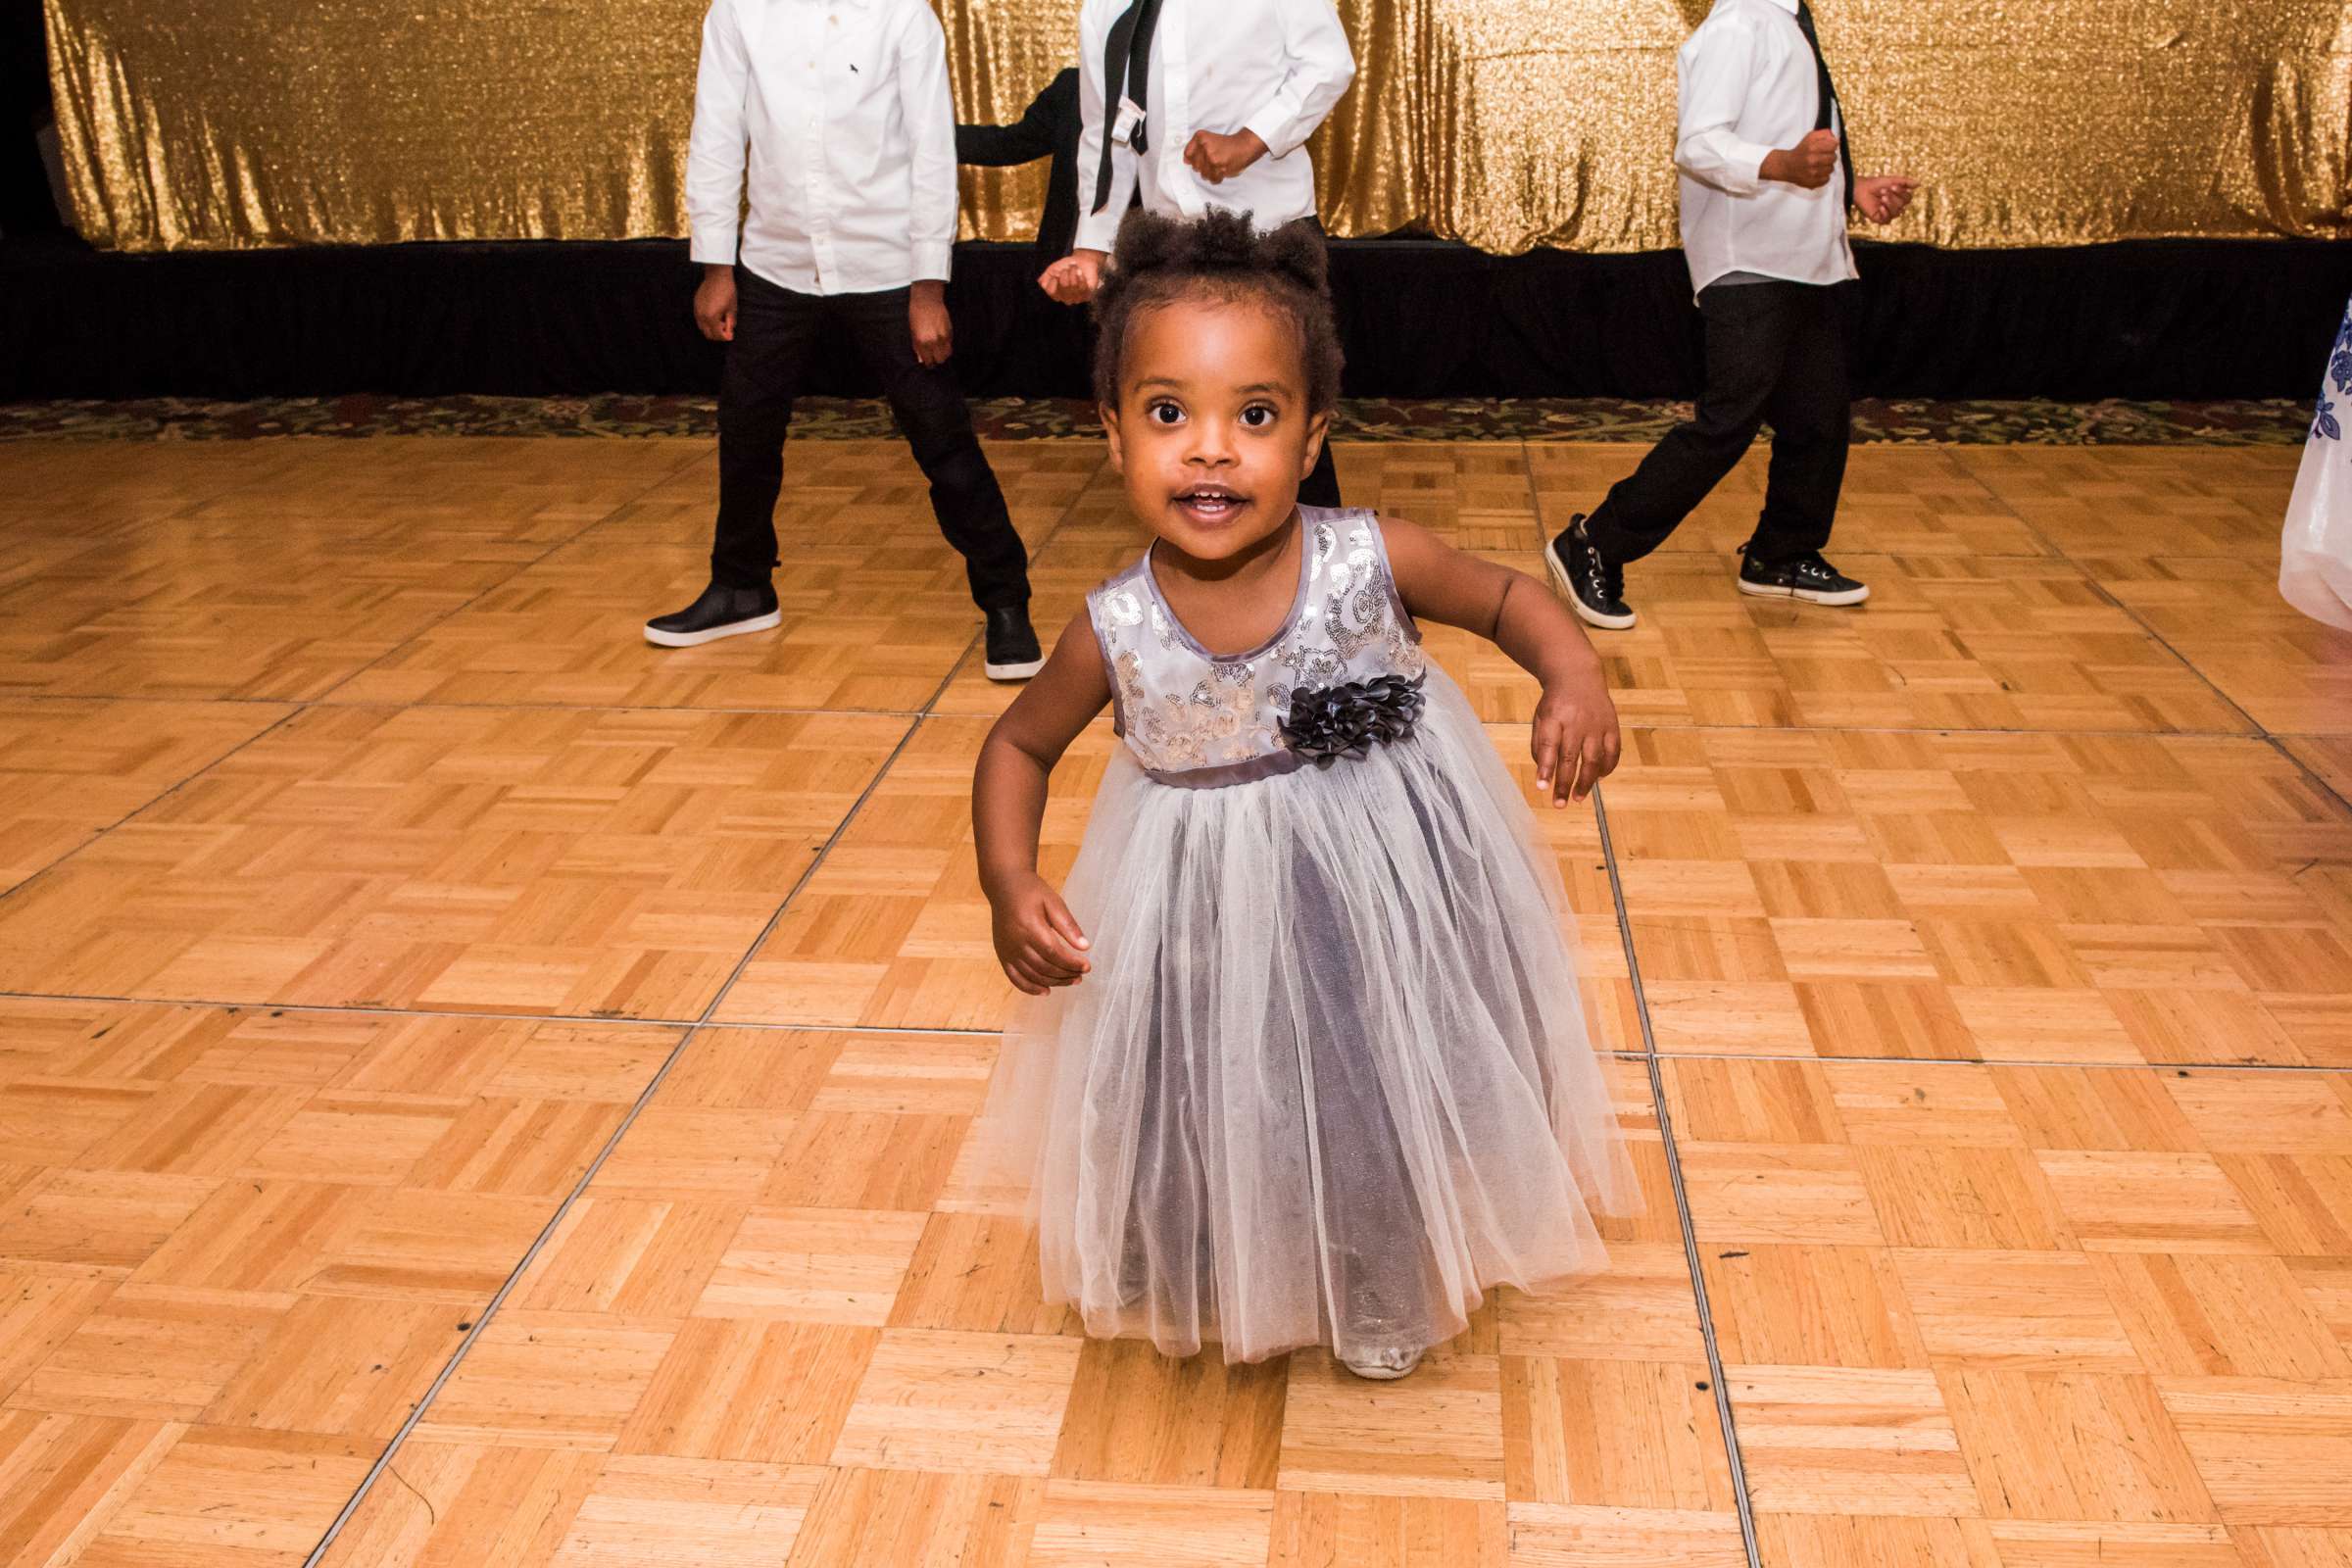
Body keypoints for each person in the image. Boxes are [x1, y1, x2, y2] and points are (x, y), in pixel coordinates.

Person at [970, 212, 1637, 1379]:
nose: (1211, 450)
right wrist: (1009, 876)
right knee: (1205, 1081)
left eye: (1256, 416)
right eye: (1169, 413)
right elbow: (1016, 747)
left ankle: (1381, 1269)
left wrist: (1572, 672)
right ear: (1111, 431)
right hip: (1201, 917)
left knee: (1368, 1082)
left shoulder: (1369, 557)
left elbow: (1509, 599)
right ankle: (1195, 1248)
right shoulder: (1113, 628)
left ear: (1314, 433)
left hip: (1382, 892)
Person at [650, 0, 1045, 682]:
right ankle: (742, 587)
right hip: (776, 260)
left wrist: (928, 286)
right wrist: (716, 266)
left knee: (940, 438)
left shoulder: (902, 16)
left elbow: (930, 150)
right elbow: (715, 134)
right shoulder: (738, 13)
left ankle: (1006, 601)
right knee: (746, 426)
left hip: (888, 263)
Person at [1544, 0, 1917, 631]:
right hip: (1752, 263)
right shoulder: (1738, 23)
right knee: (1727, 423)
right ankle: (1594, 542)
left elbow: (1788, 132)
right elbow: (1701, 144)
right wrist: (1785, 165)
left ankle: (1781, 552)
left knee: (1819, 418)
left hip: (1808, 258)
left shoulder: (1789, 23)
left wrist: (1845, 188)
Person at [1040, 0, 1356, 509]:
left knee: (1278, 415)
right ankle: (1215, 566)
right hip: (1171, 247)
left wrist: (1251, 140)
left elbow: (1328, 64)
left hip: (1268, 233)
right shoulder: (1106, 7)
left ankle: (1326, 571)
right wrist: (1090, 251)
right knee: (1189, 420)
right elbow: (1107, 131)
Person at [956, 68, 1084, 267]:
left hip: (1136, 251)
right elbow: (1014, 143)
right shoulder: (1073, 85)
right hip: (1067, 252)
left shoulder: (1144, 86)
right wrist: (937, 139)